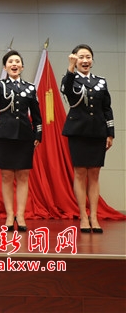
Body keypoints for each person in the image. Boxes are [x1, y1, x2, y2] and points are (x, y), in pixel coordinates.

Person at [0, 50, 42, 232]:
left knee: (23, 176)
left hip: (25, 135)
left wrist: (38, 134)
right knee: (7, 175)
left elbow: (36, 114)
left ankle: (21, 215)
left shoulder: (30, 88)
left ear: (22, 67)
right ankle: (9, 215)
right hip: (4, 134)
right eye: (10, 61)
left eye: (17, 61)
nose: (14, 64)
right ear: (5, 67)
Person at [61, 44, 114, 233]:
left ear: (92, 60)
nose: (85, 60)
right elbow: (66, 91)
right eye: (81, 57)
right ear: (75, 59)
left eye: (88, 57)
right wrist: (70, 67)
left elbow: (107, 108)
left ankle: (94, 216)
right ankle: (83, 216)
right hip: (78, 132)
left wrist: (110, 132)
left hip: (98, 132)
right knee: (80, 173)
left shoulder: (101, 82)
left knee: (95, 174)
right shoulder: (70, 79)